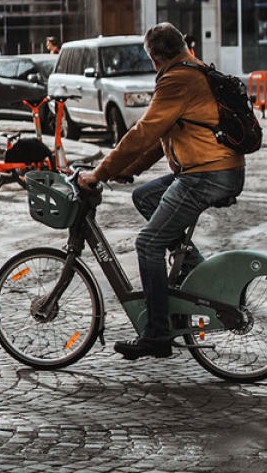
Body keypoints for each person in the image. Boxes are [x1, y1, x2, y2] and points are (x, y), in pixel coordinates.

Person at [77, 22, 245, 360]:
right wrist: (128, 170)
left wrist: (99, 172)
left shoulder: (176, 79)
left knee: (148, 243)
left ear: (154, 57)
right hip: (217, 170)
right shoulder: (196, 69)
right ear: (182, 45)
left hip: (205, 175)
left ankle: (157, 333)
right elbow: (161, 136)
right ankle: (195, 272)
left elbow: (143, 132)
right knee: (146, 196)